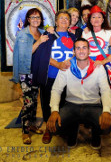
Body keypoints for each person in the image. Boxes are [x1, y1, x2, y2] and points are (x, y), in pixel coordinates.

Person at [46, 38, 111, 149]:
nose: (81, 51)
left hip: (93, 105)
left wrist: (106, 110)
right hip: (71, 105)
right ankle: (72, 131)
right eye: (78, 48)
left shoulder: (98, 67)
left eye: (84, 48)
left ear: (89, 50)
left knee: (107, 125)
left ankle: (96, 135)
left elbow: (105, 90)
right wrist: (54, 111)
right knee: (55, 127)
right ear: (74, 51)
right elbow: (56, 90)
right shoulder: (66, 67)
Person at [31, 9, 76, 144]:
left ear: (70, 22)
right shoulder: (49, 34)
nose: (64, 21)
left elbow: (78, 52)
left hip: (68, 77)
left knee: (65, 103)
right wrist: (57, 64)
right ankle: (48, 129)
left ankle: (62, 127)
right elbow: (41, 54)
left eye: (66, 19)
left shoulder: (73, 37)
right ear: (56, 21)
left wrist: (69, 61)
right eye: (61, 18)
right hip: (50, 75)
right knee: (47, 103)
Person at [11, 8, 49, 144]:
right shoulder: (23, 34)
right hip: (26, 72)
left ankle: (31, 124)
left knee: (34, 100)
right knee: (28, 103)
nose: (35, 20)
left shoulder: (42, 32)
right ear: (28, 19)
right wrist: (39, 42)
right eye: (33, 17)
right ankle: (25, 131)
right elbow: (25, 54)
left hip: (38, 71)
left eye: (38, 17)